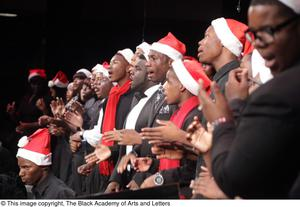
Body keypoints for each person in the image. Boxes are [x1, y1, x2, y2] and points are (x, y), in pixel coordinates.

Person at [196, 0, 300, 198]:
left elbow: (236, 180)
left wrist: (224, 118)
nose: (258, 43)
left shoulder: (276, 95)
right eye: (254, 35)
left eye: (268, 31)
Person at [16, 128, 75, 198]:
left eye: (26, 167)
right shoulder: (36, 190)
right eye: (20, 167)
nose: (20, 173)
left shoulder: (60, 193)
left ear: (44, 167)